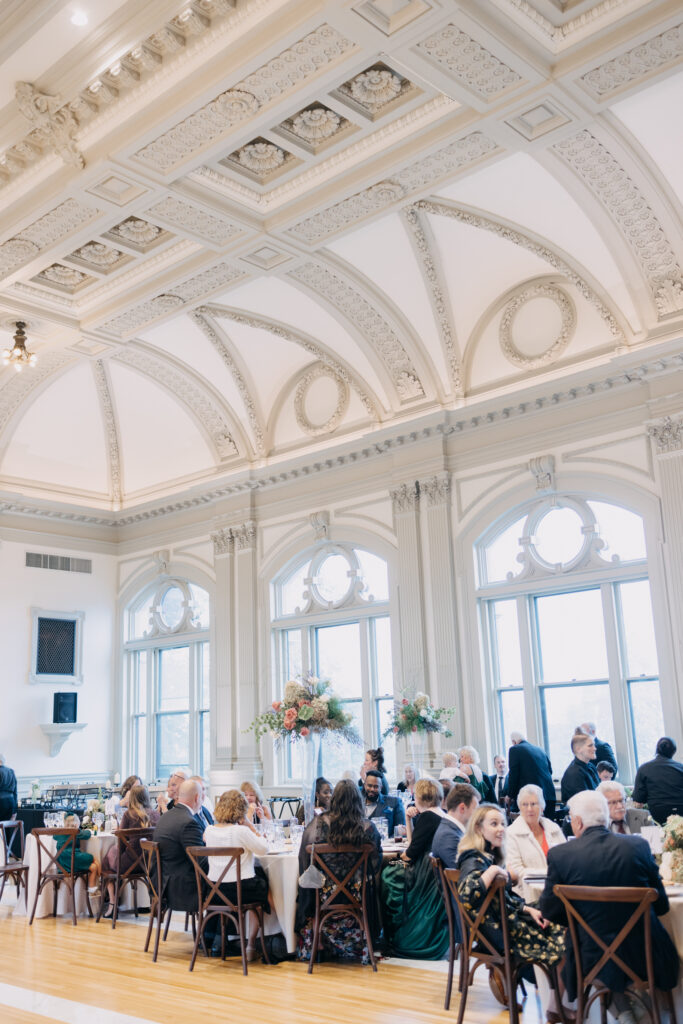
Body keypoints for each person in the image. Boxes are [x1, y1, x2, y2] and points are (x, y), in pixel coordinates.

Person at [540, 790, 679, 1020]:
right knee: (622, 948)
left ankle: (625, 1012)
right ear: (605, 819)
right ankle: (638, 1012)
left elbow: (550, 910)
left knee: (591, 945)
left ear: (577, 821)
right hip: (645, 952)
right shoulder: (638, 847)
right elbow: (662, 905)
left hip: (591, 955)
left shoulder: (560, 855)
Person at [456, 804, 565, 1007]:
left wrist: (527, 908)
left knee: (550, 912)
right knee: (561, 926)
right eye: (494, 824)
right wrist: (495, 871)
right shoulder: (472, 858)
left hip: (504, 924)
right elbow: (467, 894)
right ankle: (557, 1004)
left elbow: (502, 898)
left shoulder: (485, 856)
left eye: (503, 824)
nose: (501, 829)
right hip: (501, 935)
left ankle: (556, 1001)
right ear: (479, 829)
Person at [296, 779, 381, 965]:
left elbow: (304, 861)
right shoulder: (368, 828)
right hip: (357, 895)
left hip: (324, 895)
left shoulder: (317, 825)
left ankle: (317, 942)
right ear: (357, 801)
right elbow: (376, 866)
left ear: (334, 800)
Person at [381, 778, 449, 958]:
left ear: (419, 797)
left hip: (423, 871)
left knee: (387, 874)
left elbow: (409, 854)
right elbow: (413, 844)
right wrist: (408, 818)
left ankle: (390, 933)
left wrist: (393, 861)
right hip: (433, 869)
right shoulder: (440, 813)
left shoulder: (428, 817)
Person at [204, 789, 270, 960]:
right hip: (240, 891)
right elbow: (263, 849)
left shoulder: (209, 830)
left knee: (257, 882)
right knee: (264, 885)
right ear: (241, 810)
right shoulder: (240, 832)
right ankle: (251, 946)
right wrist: (250, 826)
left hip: (215, 891)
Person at [101, 784, 160, 918]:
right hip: (149, 865)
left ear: (132, 798)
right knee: (112, 853)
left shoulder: (128, 815)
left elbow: (121, 842)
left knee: (106, 862)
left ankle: (112, 903)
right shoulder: (156, 815)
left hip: (129, 864)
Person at [152, 779, 206, 914]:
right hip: (182, 888)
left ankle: (211, 932)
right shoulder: (189, 822)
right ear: (197, 798)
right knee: (227, 887)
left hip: (162, 883)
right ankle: (214, 933)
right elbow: (200, 862)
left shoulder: (166, 816)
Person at [505, 784, 565, 892]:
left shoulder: (554, 829)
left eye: (533, 804)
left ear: (542, 807)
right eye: (525, 804)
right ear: (519, 807)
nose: (529, 809)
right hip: (527, 895)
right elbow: (516, 870)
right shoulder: (511, 833)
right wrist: (550, 877)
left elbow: (566, 859)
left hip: (558, 892)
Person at [632, 736, 683, 824]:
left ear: (657, 750)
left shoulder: (644, 768)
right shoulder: (680, 768)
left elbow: (638, 799)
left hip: (657, 815)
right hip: (680, 813)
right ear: (674, 751)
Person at [507, 732, 556, 819]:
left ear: (514, 742)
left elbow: (513, 774)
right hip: (549, 796)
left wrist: (510, 795)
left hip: (532, 797)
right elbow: (550, 771)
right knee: (547, 828)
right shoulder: (540, 750)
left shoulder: (514, 749)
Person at [431, 782, 479, 869]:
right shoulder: (448, 836)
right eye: (475, 809)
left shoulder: (451, 829)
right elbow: (467, 871)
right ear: (462, 808)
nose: (477, 814)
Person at [57, 814, 100, 894]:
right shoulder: (77, 832)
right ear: (76, 824)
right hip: (73, 859)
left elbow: (54, 837)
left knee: (93, 867)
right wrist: (82, 830)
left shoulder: (58, 833)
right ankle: (97, 883)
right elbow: (87, 834)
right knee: (93, 858)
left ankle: (92, 887)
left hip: (60, 863)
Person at [361, 770, 405, 837]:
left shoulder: (394, 802)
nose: (372, 789)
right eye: (369, 786)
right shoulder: (357, 804)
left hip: (386, 845)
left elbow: (401, 832)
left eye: (376, 786)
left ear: (381, 788)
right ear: (364, 786)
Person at [560, 732, 599, 804]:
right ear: (578, 749)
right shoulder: (573, 773)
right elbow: (584, 802)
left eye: (594, 745)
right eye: (590, 745)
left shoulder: (591, 766)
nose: (595, 748)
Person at [0, 754, 17, 820]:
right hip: (11, 802)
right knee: (7, 827)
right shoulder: (11, 771)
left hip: (1, 802)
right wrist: (15, 810)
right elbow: (15, 791)